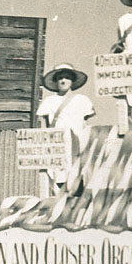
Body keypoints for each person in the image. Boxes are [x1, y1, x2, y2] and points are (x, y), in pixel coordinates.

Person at [36, 63, 95, 192]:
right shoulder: (49, 101)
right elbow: (44, 126)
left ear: (72, 81)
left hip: (76, 145)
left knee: (77, 180)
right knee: (57, 181)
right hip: (57, 145)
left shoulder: (82, 100)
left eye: (67, 77)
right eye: (60, 78)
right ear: (56, 81)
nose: (63, 81)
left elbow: (85, 124)